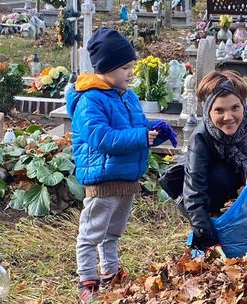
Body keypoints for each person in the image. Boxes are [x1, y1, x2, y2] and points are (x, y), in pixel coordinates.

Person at [66, 28, 177, 303]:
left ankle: (111, 272)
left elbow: (134, 126)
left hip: (126, 178)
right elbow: (101, 138)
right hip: (103, 178)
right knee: (92, 233)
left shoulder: (125, 95)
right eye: (125, 67)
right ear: (106, 68)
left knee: (113, 231)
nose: (131, 72)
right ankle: (87, 280)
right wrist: (140, 136)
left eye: (132, 66)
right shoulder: (90, 99)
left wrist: (153, 129)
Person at [160, 70, 247, 251]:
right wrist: (207, 235)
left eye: (235, 108)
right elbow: (194, 193)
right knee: (220, 175)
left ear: (243, 105)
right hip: (218, 191)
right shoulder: (201, 138)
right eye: (219, 110)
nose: (228, 117)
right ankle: (223, 224)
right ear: (208, 111)